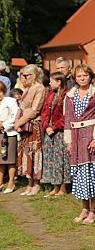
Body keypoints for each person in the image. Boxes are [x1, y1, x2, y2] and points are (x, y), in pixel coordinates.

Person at [65, 64, 95, 224]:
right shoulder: (69, 96)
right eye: (79, 76)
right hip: (75, 137)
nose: (82, 78)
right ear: (75, 79)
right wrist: (68, 141)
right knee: (79, 174)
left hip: (90, 135)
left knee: (92, 173)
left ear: (90, 77)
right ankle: (84, 208)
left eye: (85, 75)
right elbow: (68, 117)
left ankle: (93, 210)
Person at [14, 64, 47, 196]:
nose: (23, 78)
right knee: (26, 154)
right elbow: (21, 107)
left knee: (35, 153)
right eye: (22, 75)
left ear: (34, 76)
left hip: (33, 125)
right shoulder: (27, 88)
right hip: (24, 126)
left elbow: (35, 110)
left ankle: (37, 183)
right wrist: (16, 122)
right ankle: (30, 183)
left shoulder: (40, 88)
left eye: (25, 75)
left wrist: (19, 122)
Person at [41, 72, 71, 197]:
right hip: (50, 132)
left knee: (62, 160)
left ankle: (63, 187)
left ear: (59, 82)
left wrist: (54, 127)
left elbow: (66, 115)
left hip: (60, 132)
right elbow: (44, 113)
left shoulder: (66, 95)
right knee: (51, 159)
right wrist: (46, 126)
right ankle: (55, 186)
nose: (49, 83)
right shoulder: (50, 95)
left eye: (52, 81)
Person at [0, 80, 19, 193]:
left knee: (10, 159)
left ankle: (11, 182)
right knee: (0, 159)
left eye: (0, 92)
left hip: (9, 133)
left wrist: (4, 124)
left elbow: (16, 116)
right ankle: (0, 182)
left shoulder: (10, 101)